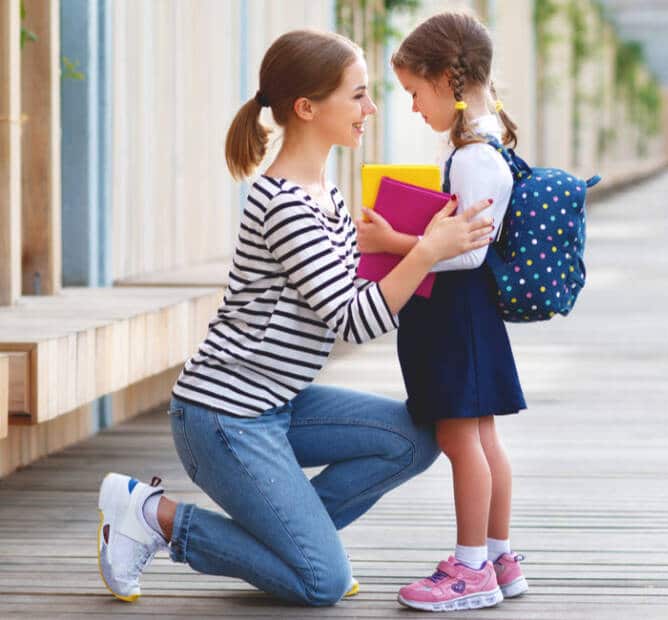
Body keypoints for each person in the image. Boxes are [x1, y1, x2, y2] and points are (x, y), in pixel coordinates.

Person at [95, 28, 495, 607]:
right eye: (357, 95)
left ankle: (292, 544)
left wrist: (407, 243)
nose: (372, 108)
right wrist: (428, 250)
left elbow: (349, 285)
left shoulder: (323, 192)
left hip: (278, 404)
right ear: (307, 108)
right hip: (223, 418)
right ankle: (155, 517)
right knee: (321, 583)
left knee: (415, 438)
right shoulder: (284, 204)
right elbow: (353, 320)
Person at [355, 11, 528, 612]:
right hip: (467, 320)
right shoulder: (485, 145)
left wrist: (391, 244)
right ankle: (498, 555)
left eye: (414, 92)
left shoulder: (473, 156)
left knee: (462, 442)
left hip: (454, 319)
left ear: (449, 80)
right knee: (482, 439)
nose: (411, 106)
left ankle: (472, 567)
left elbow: (466, 254)